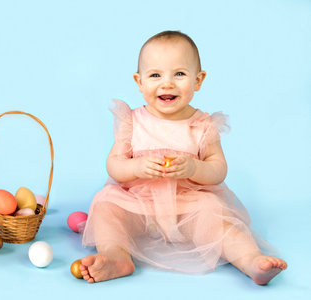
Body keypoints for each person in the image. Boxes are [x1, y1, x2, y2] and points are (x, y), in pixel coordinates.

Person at [80, 31, 287, 285]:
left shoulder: (203, 125)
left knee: (217, 220)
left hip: (187, 207)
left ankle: (251, 260)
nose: (167, 84)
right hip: (138, 205)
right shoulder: (132, 121)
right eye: (155, 75)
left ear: (198, 80)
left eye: (179, 74)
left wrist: (193, 167)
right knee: (107, 207)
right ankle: (116, 256)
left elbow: (218, 170)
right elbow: (114, 165)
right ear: (139, 81)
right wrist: (136, 166)